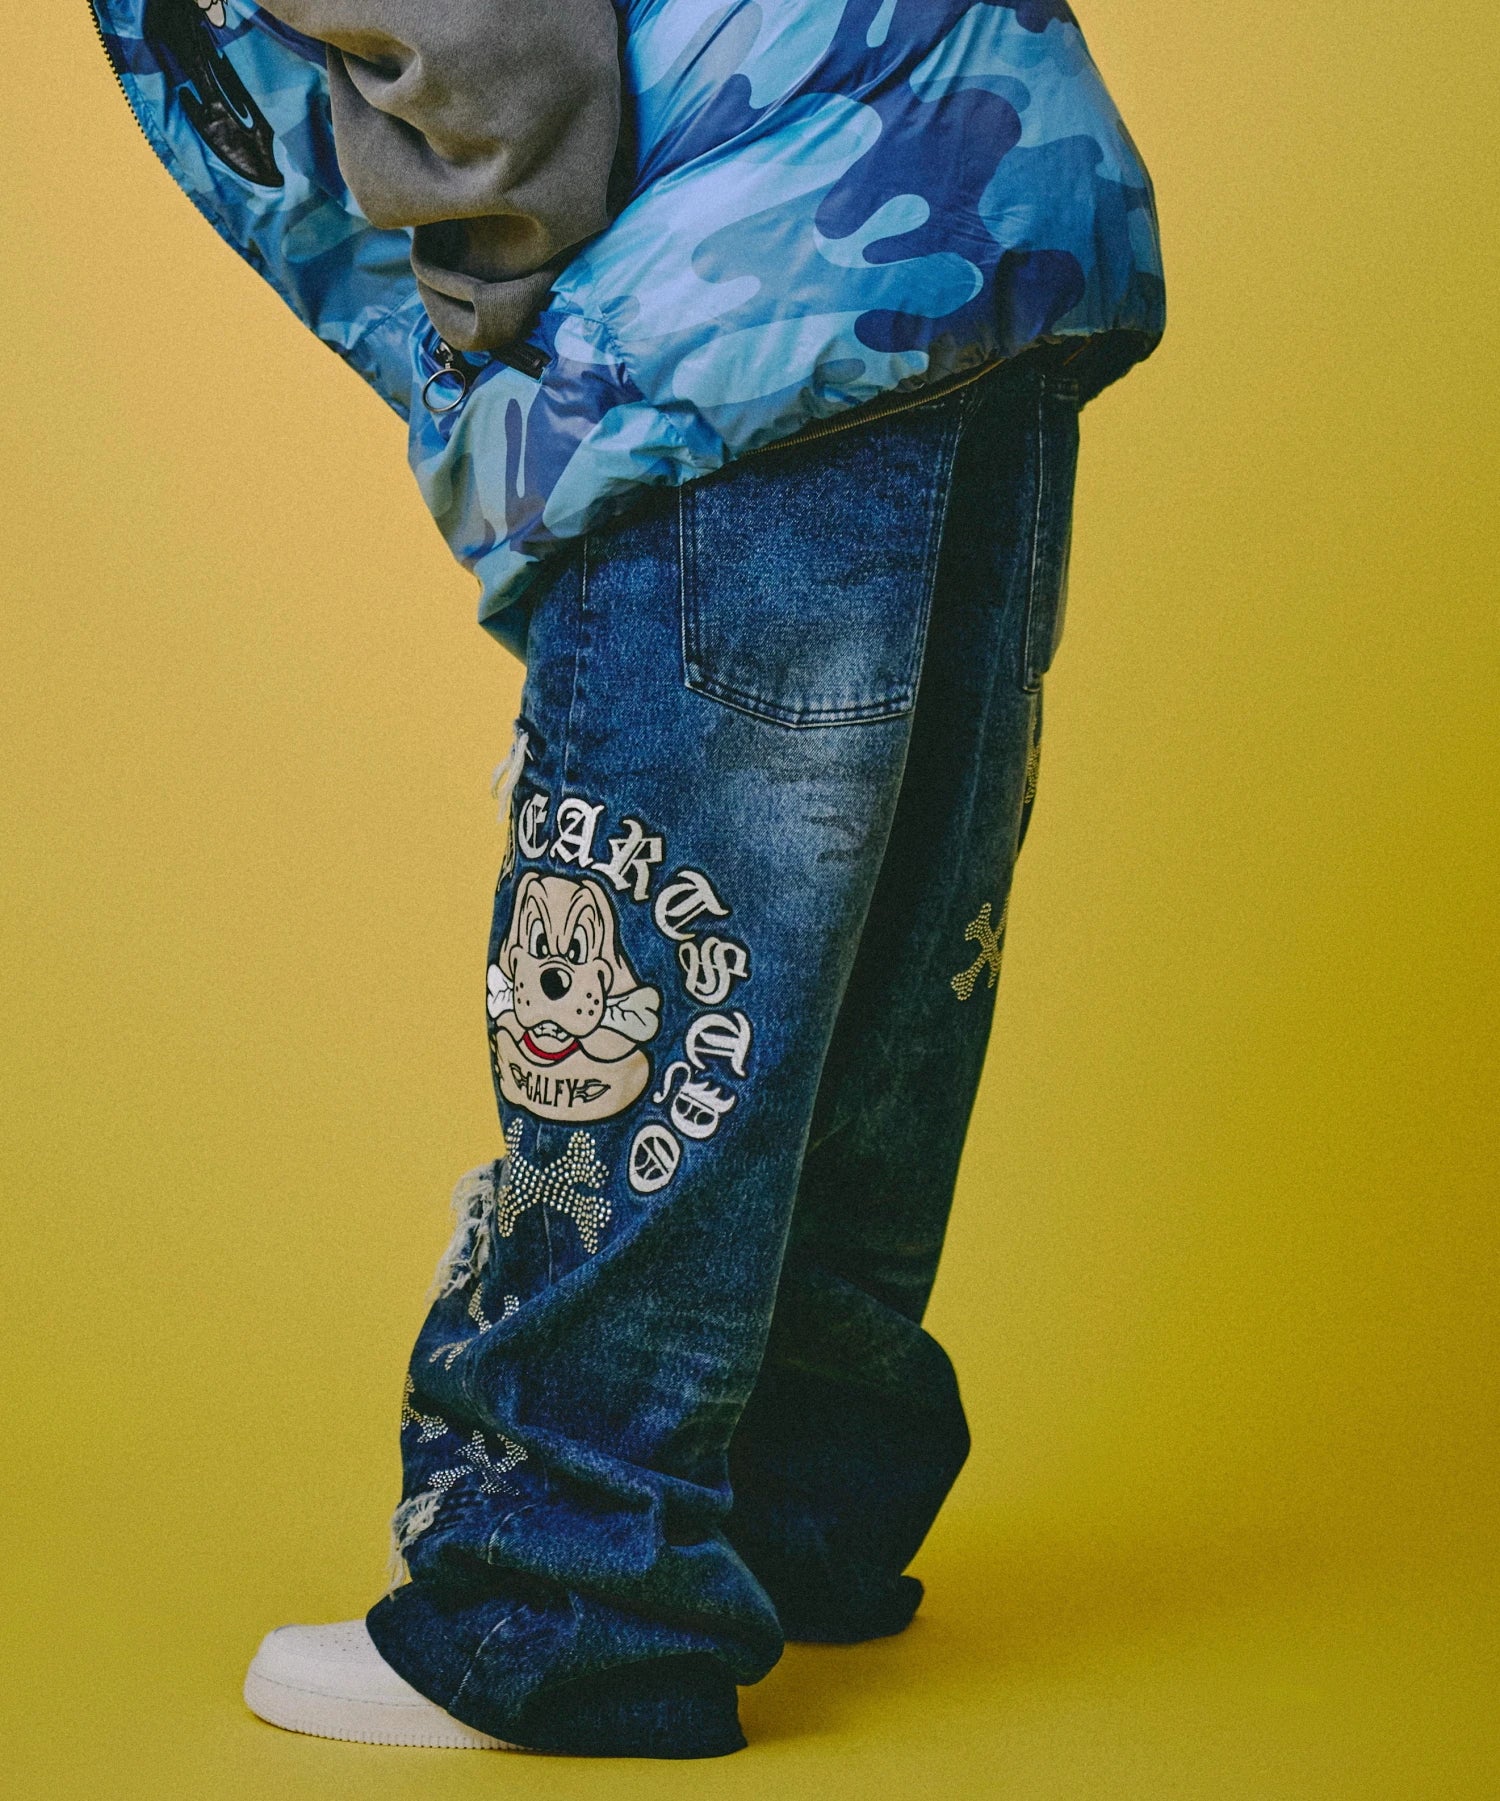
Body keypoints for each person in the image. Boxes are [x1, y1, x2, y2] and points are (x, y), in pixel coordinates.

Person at [92, 0, 1164, 1759]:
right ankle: (793, 1504)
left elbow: (499, 54)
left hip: (735, 297)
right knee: (876, 951)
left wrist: (507, 328)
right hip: (980, 209)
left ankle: (566, 1596)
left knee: (663, 977)